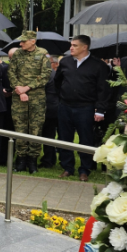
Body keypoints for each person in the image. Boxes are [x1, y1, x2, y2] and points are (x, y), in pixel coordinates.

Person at [55, 35, 111, 181]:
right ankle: (67, 167)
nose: (71, 48)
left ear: (85, 47)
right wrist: (61, 97)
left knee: (86, 139)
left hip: (86, 108)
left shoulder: (98, 65)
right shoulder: (65, 62)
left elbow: (103, 89)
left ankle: (85, 169)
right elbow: (57, 81)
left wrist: (100, 109)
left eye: (75, 45)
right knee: (64, 138)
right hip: (65, 106)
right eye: (71, 45)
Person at [8, 30, 51, 174]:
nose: (21, 44)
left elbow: (45, 75)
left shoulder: (43, 54)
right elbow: (11, 73)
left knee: (35, 129)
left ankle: (33, 160)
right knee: (20, 127)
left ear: (33, 41)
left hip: (37, 98)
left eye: (24, 41)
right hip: (19, 97)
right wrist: (20, 90)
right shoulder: (17, 54)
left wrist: (27, 88)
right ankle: (21, 160)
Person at [39, 56, 60, 169]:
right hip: (52, 107)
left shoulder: (48, 74)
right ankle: (50, 159)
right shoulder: (53, 73)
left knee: (47, 135)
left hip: (48, 108)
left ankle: (48, 160)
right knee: (49, 135)